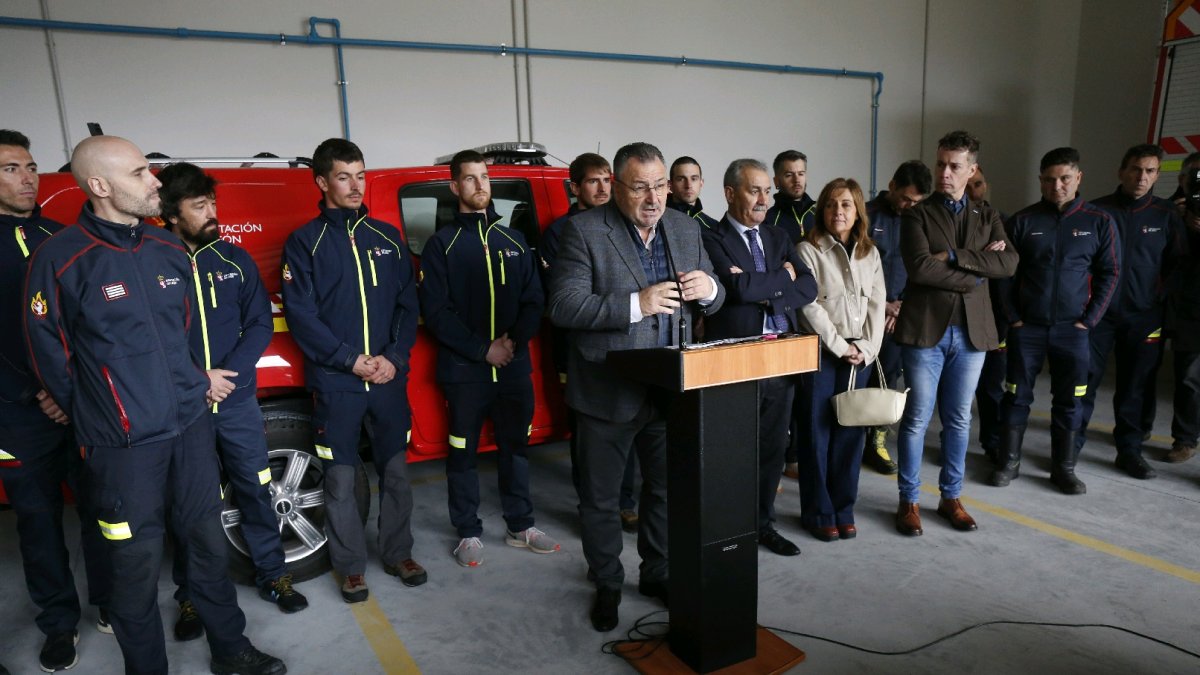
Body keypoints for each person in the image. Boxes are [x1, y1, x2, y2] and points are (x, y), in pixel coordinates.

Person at [24, 135, 284, 674]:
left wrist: (190, 387)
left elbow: (187, 336)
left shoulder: (168, 251)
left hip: (189, 431)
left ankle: (232, 651)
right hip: (120, 450)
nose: (155, 182)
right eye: (141, 173)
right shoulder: (62, 259)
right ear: (100, 186)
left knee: (207, 548)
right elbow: (50, 355)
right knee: (132, 570)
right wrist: (101, 417)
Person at [548, 141, 724, 632]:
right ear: (616, 187)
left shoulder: (686, 229)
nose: (653, 197)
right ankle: (606, 581)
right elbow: (564, 306)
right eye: (640, 187)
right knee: (602, 499)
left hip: (669, 388)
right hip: (607, 389)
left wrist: (710, 291)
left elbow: (713, 289)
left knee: (664, 490)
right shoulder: (584, 230)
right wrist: (636, 303)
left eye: (660, 185)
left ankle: (657, 572)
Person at [157, 162, 308, 642]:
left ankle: (273, 573)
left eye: (213, 203)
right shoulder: (154, 264)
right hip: (185, 408)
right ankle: (191, 594)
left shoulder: (235, 260)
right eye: (199, 206)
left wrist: (229, 376)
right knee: (189, 506)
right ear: (170, 214)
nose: (212, 214)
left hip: (237, 402)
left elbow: (259, 324)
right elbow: (150, 339)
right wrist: (198, 380)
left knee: (256, 486)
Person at [281, 138, 424, 603]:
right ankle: (350, 567)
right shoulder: (305, 243)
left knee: (397, 474)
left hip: (386, 380)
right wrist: (349, 360)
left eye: (360, 175)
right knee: (341, 480)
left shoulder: (387, 238)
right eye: (344, 176)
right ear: (322, 182)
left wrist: (392, 359)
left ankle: (399, 552)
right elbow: (301, 315)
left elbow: (408, 306)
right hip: (338, 383)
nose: (355, 185)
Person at [0, 129, 112, 673]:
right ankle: (59, 624)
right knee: (38, 521)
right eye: (10, 169)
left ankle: (109, 600)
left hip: (77, 403)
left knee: (100, 508)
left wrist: (69, 392)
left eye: (30, 166)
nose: (27, 177)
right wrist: (34, 391)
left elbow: (87, 326)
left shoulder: (60, 236)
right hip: (18, 414)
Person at [418, 149, 557, 568]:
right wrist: (484, 350)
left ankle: (521, 525)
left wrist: (512, 342)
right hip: (465, 373)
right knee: (461, 452)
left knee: (516, 447)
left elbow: (535, 299)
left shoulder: (514, 241)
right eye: (471, 179)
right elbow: (437, 313)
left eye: (484, 177)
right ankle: (468, 532)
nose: (480, 186)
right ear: (454, 186)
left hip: (513, 368)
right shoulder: (441, 246)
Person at [894, 131, 1017, 535]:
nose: (945, 173)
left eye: (954, 166)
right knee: (916, 419)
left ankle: (951, 497)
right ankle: (909, 501)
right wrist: (977, 272)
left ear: (972, 169)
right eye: (941, 164)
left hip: (972, 336)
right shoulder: (917, 215)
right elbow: (919, 269)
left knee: (960, 420)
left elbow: (1009, 264)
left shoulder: (988, 216)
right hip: (926, 331)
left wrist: (953, 256)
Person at [701, 158, 817, 556]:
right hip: (736, 359)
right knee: (732, 451)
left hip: (780, 358)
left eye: (768, 191)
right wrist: (782, 278)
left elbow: (811, 286)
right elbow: (735, 289)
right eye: (755, 190)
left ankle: (761, 524)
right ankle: (727, 528)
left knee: (771, 450)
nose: (764, 199)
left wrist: (766, 286)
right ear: (730, 193)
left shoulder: (778, 236)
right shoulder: (712, 238)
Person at [994, 147, 1120, 494]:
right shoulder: (1022, 221)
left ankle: (1063, 468)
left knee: (1070, 400)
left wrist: (1089, 321)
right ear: (1040, 181)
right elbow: (1003, 276)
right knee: (1016, 396)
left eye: (1065, 178)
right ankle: (1009, 462)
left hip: (1074, 331)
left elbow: (1111, 272)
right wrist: (1014, 319)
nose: (1057, 186)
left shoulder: (1099, 221)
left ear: (1078, 178)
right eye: (1049, 180)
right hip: (1028, 329)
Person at [539, 153, 639, 533]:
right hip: (577, 348)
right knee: (587, 434)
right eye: (593, 182)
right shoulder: (559, 233)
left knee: (628, 420)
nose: (601, 188)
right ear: (574, 187)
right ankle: (593, 505)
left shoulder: (623, 225)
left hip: (624, 342)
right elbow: (562, 298)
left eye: (606, 180)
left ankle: (626, 502)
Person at [1075, 144, 1180, 479]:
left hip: (1144, 317)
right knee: (1084, 382)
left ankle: (1129, 450)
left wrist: (1158, 300)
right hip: (1099, 316)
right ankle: (1070, 445)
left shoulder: (1166, 215)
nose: (1141, 177)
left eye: (1150, 171)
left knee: (1135, 386)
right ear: (1122, 171)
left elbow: (1178, 265)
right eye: (1136, 169)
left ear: (1157, 175)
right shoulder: (1097, 211)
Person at [795, 178, 885, 541]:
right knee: (816, 435)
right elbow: (808, 305)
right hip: (822, 352)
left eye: (846, 204)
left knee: (850, 434)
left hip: (859, 356)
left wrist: (865, 348)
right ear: (822, 210)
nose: (838, 211)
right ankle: (819, 512)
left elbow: (878, 305)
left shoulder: (870, 253)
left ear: (858, 209)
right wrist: (839, 345)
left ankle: (844, 509)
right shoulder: (807, 249)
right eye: (831, 204)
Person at [862, 160, 932, 475]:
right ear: (892, 186)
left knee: (888, 380)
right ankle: (852, 439)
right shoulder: (864, 215)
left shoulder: (920, 221)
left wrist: (901, 305)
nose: (909, 206)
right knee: (857, 379)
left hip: (901, 315)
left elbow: (924, 268)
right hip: (863, 315)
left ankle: (876, 442)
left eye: (916, 202)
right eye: (905, 199)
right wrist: (881, 304)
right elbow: (855, 269)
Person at [966, 166, 1011, 462]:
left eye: (978, 184)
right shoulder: (949, 223)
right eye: (968, 185)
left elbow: (1009, 265)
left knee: (992, 386)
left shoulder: (1002, 222)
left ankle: (992, 441)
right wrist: (985, 258)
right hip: (960, 316)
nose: (973, 191)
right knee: (956, 391)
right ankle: (950, 439)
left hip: (995, 318)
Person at [1165, 152, 1200, 463]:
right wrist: (1181, 224)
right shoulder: (1168, 210)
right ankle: (1185, 440)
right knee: (1188, 378)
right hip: (1189, 308)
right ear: (1183, 179)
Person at [765, 149, 816, 246]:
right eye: (789, 175)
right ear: (776, 181)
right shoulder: (768, 220)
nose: (797, 180)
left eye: (801, 174)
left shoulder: (820, 215)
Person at [666, 156, 720, 228]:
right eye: (681, 179)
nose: (688, 185)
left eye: (694, 179)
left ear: (701, 183)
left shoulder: (713, 228)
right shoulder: (654, 219)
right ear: (670, 185)